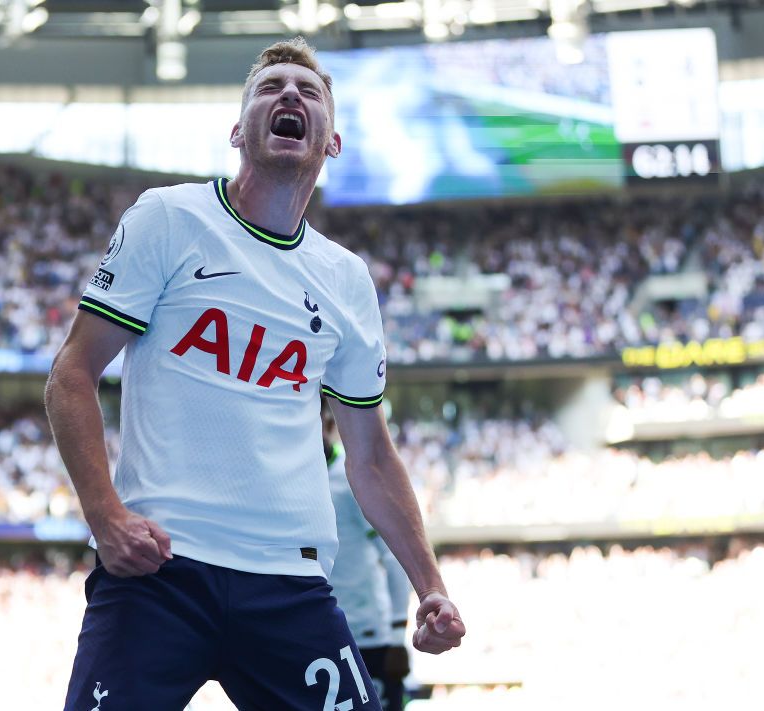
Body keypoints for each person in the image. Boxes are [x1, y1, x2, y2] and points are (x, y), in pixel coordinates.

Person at [46, 37, 466, 710]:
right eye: (270, 86)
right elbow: (71, 374)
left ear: (331, 142)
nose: (291, 94)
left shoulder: (346, 279)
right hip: (159, 570)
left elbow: (372, 456)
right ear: (239, 131)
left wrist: (430, 584)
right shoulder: (168, 217)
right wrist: (105, 515)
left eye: (310, 89)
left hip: (288, 584)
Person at [324, 410, 412, 709]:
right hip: (318, 633)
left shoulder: (352, 479)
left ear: (329, 423)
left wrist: (398, 637)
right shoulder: (292, 483)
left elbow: (393, 555)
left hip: (370, 637)